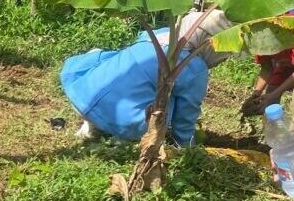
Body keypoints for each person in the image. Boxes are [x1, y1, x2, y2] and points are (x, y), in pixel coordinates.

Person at [63, 10, 232, 146]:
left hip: (82, 95)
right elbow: (185, 115)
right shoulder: (195, 68)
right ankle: (123, 136)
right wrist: (185, 146)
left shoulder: (159, 35)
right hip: (124, 122)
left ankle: (93, 125)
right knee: (171, 100)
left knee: (118, 64)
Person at [242, 0, 294, 116]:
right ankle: (273, 132)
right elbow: (266, 67)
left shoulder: (291, 17)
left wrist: (273, 95)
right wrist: (256, 94)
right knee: (269, 98)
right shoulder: (262, 21)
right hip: (285, 66)